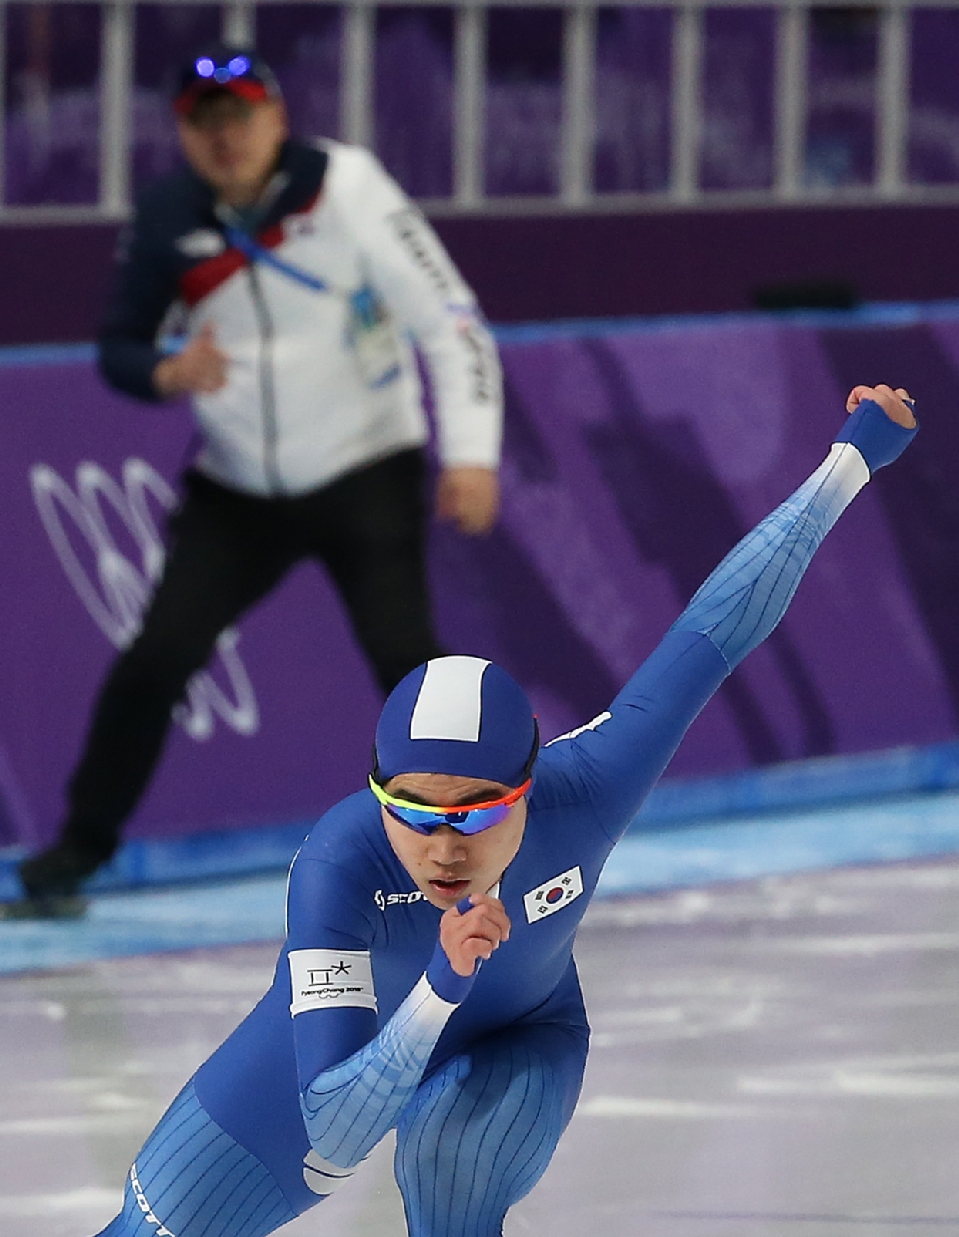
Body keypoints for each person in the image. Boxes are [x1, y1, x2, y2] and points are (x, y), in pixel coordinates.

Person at [93, 383, 916, 1237]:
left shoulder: (591, 783)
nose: (441, 845)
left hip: (518, 1039)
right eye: (411, 812)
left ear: (527, 788)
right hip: (340, 1066)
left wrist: (850, 460)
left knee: (454, 1166)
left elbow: (718, 625)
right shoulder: (340, 866)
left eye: (475, 813)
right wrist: (439, 986)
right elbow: (334, 1120)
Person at [14, 45, 502, 915]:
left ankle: (482, 843)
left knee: (411, 672)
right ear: (183, 136)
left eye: (240, 116)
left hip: (365, 469)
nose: (225, 137)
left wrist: (471, 451)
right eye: (206, 123)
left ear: (277, 119)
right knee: (157, 658)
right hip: (237, 491)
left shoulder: (347, 189)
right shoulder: (168, 216)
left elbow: (448, 316)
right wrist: (165, 371)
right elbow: (120, 343)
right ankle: (76, 851)